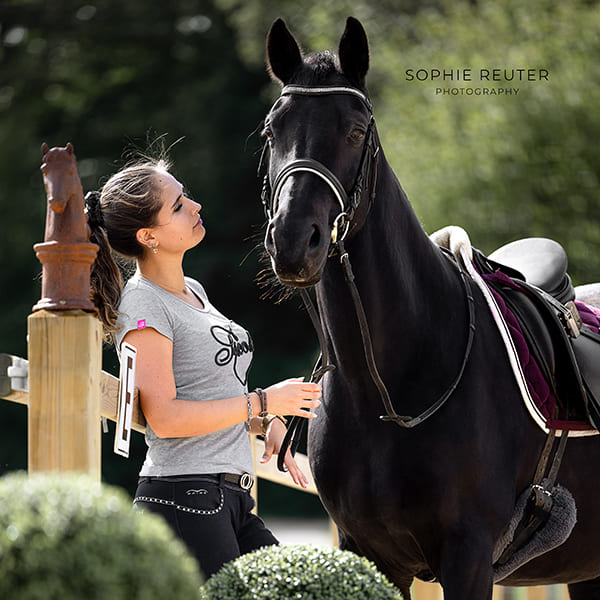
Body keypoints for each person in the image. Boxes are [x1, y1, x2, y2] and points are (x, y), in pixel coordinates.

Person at [86, 153, 322, 578]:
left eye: (186, 198)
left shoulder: (192, 290)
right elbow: (166, 417)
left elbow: (205, 390)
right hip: (185, 498)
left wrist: (261, 419)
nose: (195, 206)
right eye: (177, 206)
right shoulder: (142, 304)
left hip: (228, 498)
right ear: (148, 236)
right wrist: (262, 401)